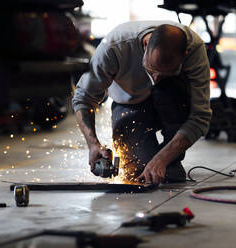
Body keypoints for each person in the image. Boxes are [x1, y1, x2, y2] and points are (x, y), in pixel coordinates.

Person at [72, 21, 212, 185]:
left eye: (164, 73)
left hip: (173, 101)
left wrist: (162, 159)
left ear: (185, 54)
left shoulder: (195, 49)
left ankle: (170, 162)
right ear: (145, 45)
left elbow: (200, 117)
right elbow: (83, 98)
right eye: (152, 69)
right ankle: (155, 161)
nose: (156, 79)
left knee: (168, 174)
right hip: (131, 105)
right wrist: (93, 144)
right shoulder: (114, 47)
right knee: (139, 173)